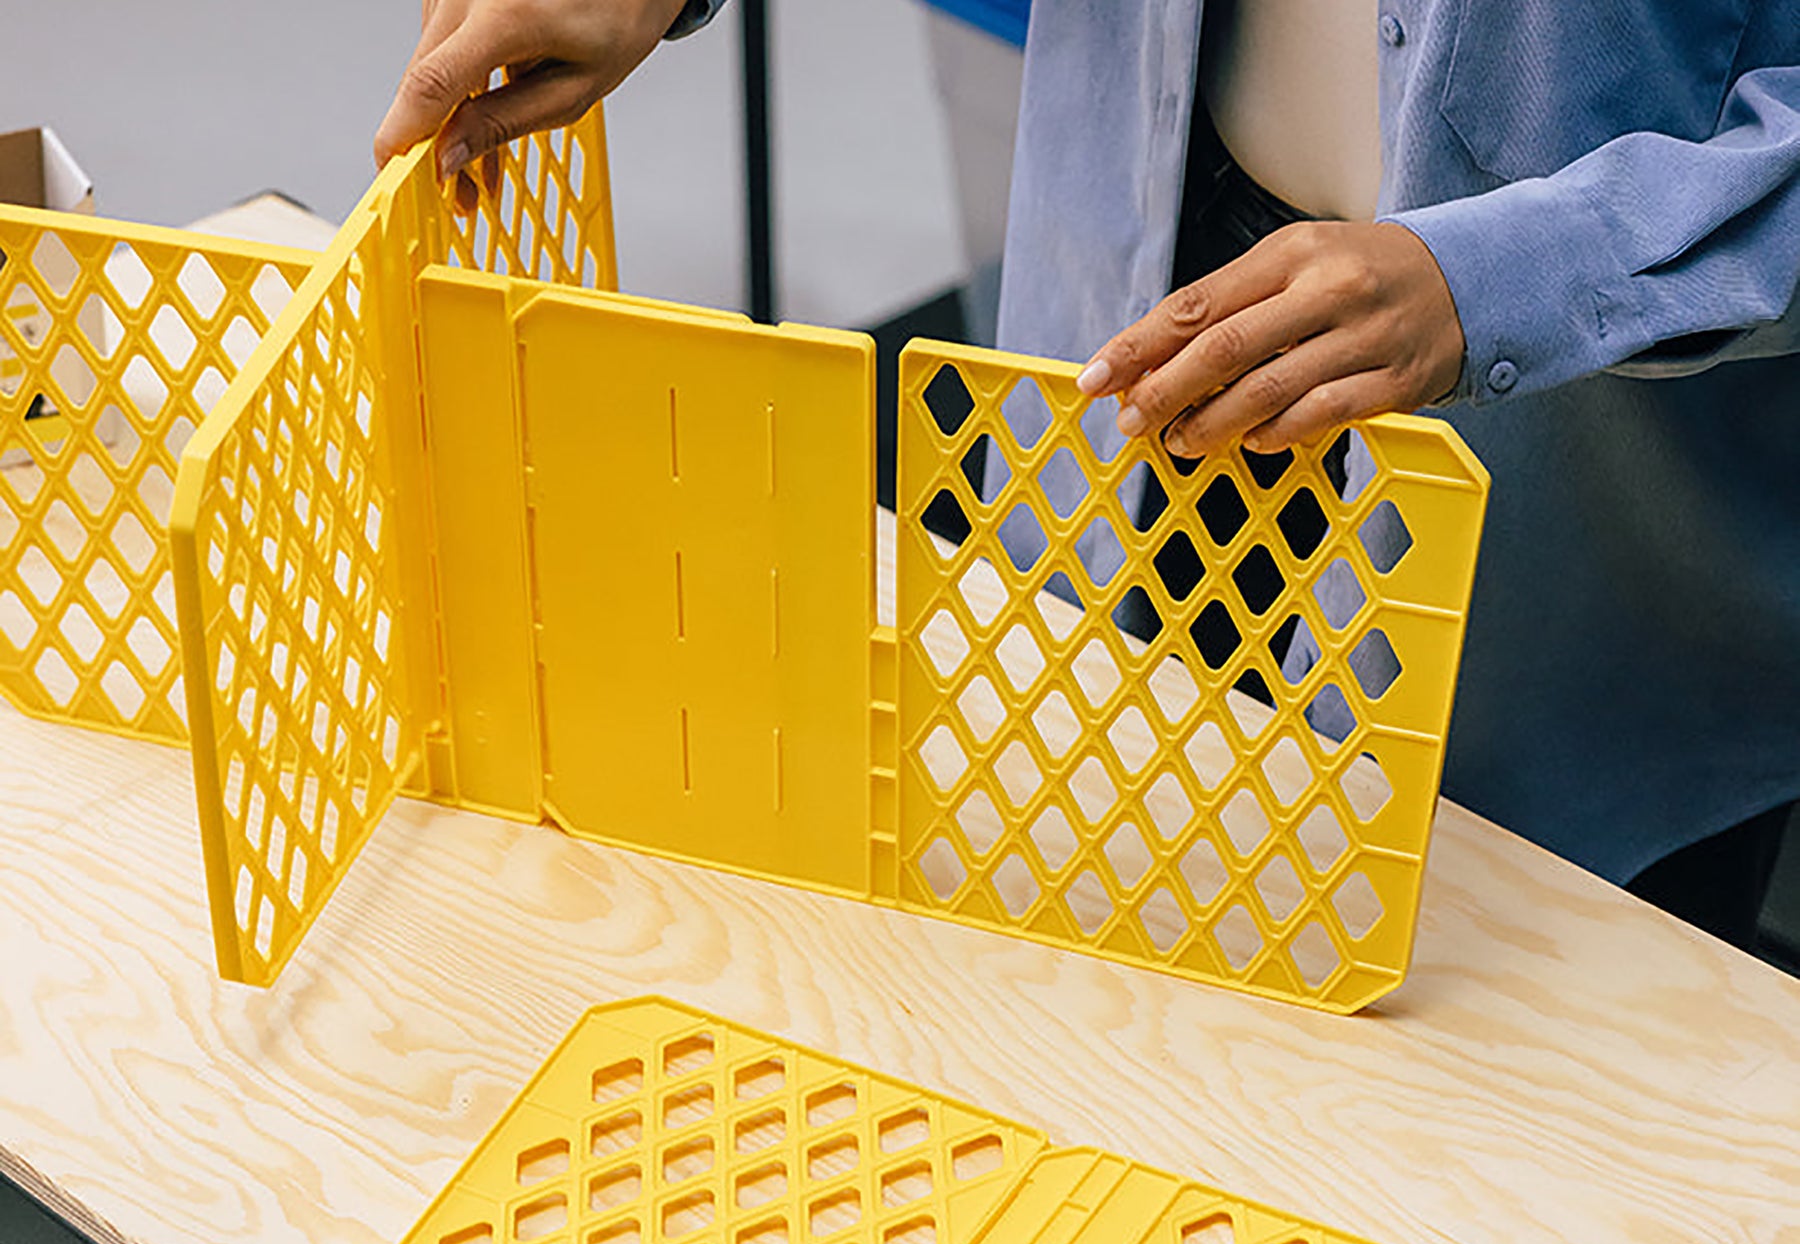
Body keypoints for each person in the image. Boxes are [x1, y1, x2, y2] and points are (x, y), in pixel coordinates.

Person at [375, 1, 1800, 951]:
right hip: (1156, 329)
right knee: (1117, 964)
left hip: (1589, 498)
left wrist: (1504, 278)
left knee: (1506, 1103)